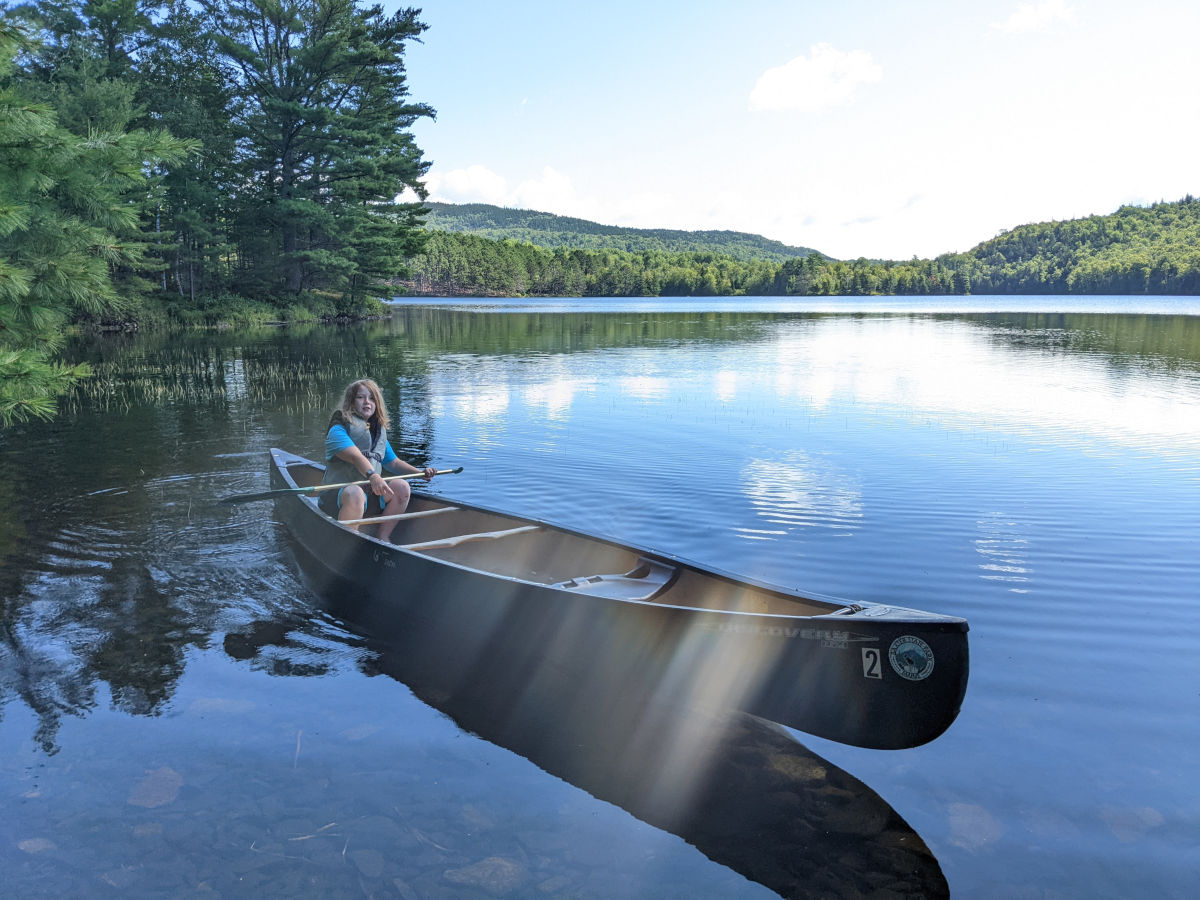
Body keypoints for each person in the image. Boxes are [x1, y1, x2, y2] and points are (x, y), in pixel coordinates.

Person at [319, 378, 437, 542]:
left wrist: (419, 473)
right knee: (355, 493)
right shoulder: (338, 430)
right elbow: (356, 457)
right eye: (361, 397)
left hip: (368, 495)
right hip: (337, 498)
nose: (367, 402)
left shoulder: (376, 434)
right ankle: (347, 542)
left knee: (402, 486)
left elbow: (394, 463)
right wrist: (373, 476)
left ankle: (383, 537)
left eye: (372, 398)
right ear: (351, 402)